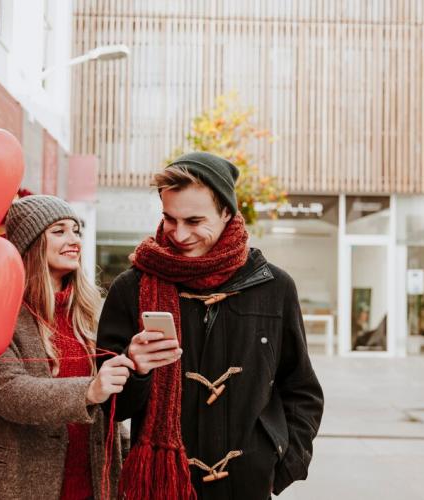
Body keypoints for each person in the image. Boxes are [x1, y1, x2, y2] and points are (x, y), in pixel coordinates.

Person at [97, 152, 325, 499]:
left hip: (247, 485)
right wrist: (136, 368)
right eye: (170, 219)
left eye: (194, 220)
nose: (179, 234)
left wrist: (281, 463)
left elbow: (301, 388)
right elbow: (109, 408)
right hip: (162, 486)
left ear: (226, 213)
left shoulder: (275, 287)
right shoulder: (131, 288)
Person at [0, 195, 133, 500]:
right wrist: (89, 390)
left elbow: (108, 410)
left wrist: (127, 456)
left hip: (90, 482)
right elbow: (10, 393)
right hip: (16, 482)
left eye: (76, 230)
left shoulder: (89, 312)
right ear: (30, 244)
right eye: (59, 231)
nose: (74, 240)